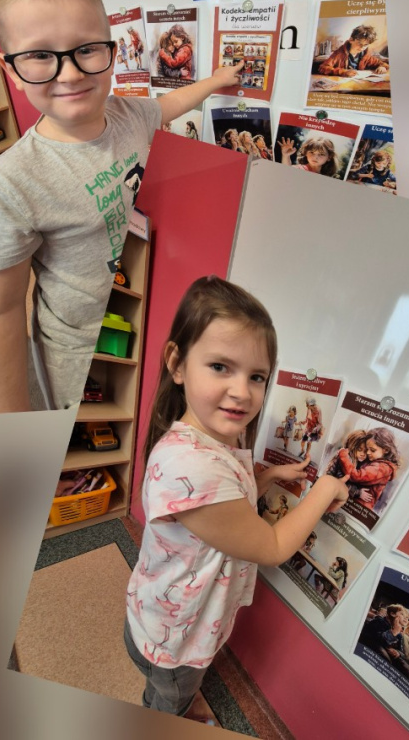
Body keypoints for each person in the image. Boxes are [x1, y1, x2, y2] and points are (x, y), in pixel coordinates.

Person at [0, 0, 245, 413]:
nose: (70, 73)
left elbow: (169, 104)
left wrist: (216, 80)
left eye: (87, 49)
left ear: (112, 52)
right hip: (79, 357)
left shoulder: (127, 115)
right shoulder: (11, 183)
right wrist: (11, 433)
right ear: (10, 70)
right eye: (40, 55)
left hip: (146, 315)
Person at [124, 276, 351, 724]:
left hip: (160, 619)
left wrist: (268, 477)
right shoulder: (194, 465)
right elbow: (271, 546)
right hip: (173, 643)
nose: (243, 391)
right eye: (220, 367)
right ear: (177, 364)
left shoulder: (205, 442)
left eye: (257, 376)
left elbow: (229, 509)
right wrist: (327, 486)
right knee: (170, 701)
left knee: (169, 690)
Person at [332, 428, 401, 510]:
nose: (368, 453)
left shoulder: (382, 468)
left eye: (372, 450)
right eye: (367, 449)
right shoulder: (375, 461)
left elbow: (356, 476)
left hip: (361, 506)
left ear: (386, 450)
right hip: (354, 500)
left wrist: (344, 456)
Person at [317, 24, 389, 77]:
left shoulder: (365, 55)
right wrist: (342, 72)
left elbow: (382, 63)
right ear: (351, 40)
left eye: (366, 45)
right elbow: (323, 68)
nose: (362, 47)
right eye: (359, 43)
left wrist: (382, 67)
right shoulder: (339, 53)